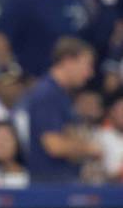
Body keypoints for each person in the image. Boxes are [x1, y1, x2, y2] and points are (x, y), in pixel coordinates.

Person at [14, 37, 101, 182]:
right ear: (68, 61)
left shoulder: (62, 94)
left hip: (63, 183)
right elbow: (54, 145)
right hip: (49, 189)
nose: (90, 73)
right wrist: (90, 149)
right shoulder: (47, 93)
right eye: (87, 65)